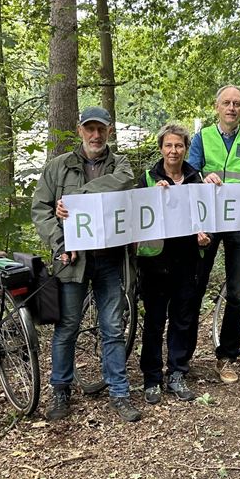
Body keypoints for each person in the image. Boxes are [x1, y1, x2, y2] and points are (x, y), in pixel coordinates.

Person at [31, 106, 140, 422]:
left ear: (109, 131)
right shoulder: (58, 167)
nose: (95, 135)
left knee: (113, 327)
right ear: (80, 130)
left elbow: (125, 184)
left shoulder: (120, 165)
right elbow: (40, 210)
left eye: (101, 129)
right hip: (73, 261)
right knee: (67, 327)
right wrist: (60, 242)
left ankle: (119, 392)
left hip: (110, 259)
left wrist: (77, 198)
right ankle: (60, 390)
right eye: (90, 129)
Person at [186, 85, 240, 384]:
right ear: (217, 107)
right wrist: (201, 177)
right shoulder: (202, 137)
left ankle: (226, 357)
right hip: (209, 221)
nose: (232, 108)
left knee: (237, 292)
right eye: (227, 103)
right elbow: (188, 173)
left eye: (237, 104)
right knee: (195, 287)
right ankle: (182, 357)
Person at [136, 123, 212, 404]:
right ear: (161, 148)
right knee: (154, 321)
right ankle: (152, 378)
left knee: (182, 319)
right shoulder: (147, 178)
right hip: (155, 262)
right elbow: (136, 217)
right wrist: (152, 197)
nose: (173, 151)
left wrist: (205, 238)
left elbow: (207, 218)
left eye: (179, 145)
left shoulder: (196, 179)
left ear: (186, 149)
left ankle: (177, 372)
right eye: (168, 145)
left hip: (187, 260)